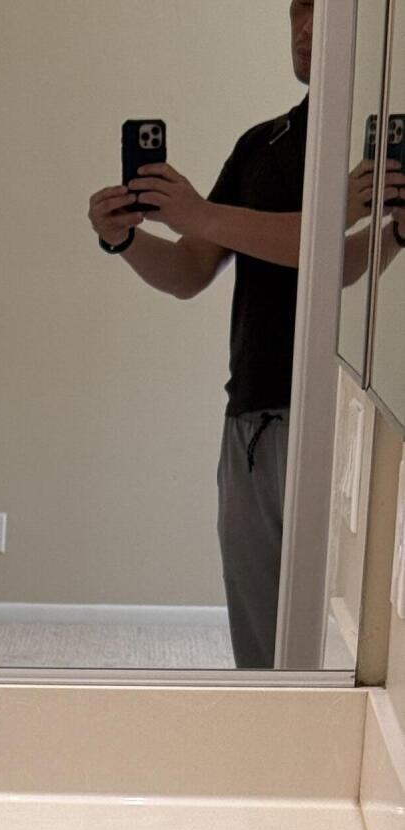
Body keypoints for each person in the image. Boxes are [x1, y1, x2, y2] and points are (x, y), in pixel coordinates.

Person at [86, 0, 316, 670]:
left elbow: (330, 247)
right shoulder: (260, 145)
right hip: (250, 423)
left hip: (337, 424)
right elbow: (190, 269)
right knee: (262, 650)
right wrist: (124, 240)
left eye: (321, 11)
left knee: (331, 650)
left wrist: (201, 212)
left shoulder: (368, 159)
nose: (304, 27)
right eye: (297, 10)